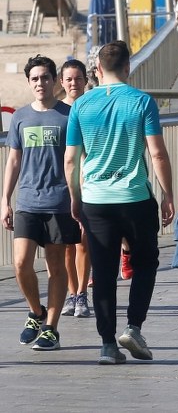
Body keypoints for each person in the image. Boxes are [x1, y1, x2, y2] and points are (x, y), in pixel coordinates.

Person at [64, 40, 176, 364]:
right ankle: (134, 326)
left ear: (97, 70)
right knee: (146, 263)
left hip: (95, 200)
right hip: (135, 197)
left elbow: (71, 160)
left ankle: (107, 345)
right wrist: (168, 194)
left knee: (104, 271)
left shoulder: (81, 106)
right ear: (128, 67)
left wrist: (75, 197)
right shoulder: (142, 102)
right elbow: (157, 153)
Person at [2, 56, 83, 351]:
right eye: (35, 78)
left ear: (55, 81)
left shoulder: (68, 115)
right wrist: (4, 200)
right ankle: (35, 311)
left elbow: (77, 160)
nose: (40, 83)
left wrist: (79, 198)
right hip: (26, 200)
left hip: (59, 201)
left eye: (45, 77)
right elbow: (13, 160)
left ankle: (51, 327)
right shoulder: (21, 117)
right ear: (29, 82)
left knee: (56, 267)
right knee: (21, 263)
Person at [58, 59, 91, 319]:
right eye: (69, 79)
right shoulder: (57, 112)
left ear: (86, 81)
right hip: (60, 186)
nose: (73, 83)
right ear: (62, 82)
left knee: (83, 243)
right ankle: (71, 292)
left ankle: (82, 294)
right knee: (66, 246)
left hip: (87, 184)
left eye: (78, 78)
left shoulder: (91, 108)